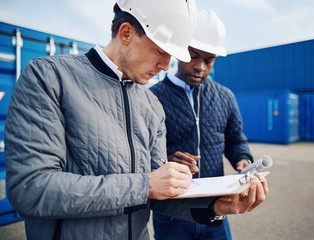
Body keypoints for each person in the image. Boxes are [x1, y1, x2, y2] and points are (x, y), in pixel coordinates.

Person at [5, 1, 268, 239]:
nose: (166, 65)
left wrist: (216, 207)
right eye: (160, 51)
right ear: (127, 33)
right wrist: (144, 185)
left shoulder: (151, 104)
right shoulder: (49, 78)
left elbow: (157, 195)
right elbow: (30, 188)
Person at [150, 9, 255, 240]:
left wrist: (242, 160)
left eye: (209, 60)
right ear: (179, 51)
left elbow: (235, 139)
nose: (200, 66)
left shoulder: (225, 96)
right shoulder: (151, 98)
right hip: (171, 213)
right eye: (193, 56)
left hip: (215, 211)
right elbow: (142, 153)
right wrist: (166, 161)